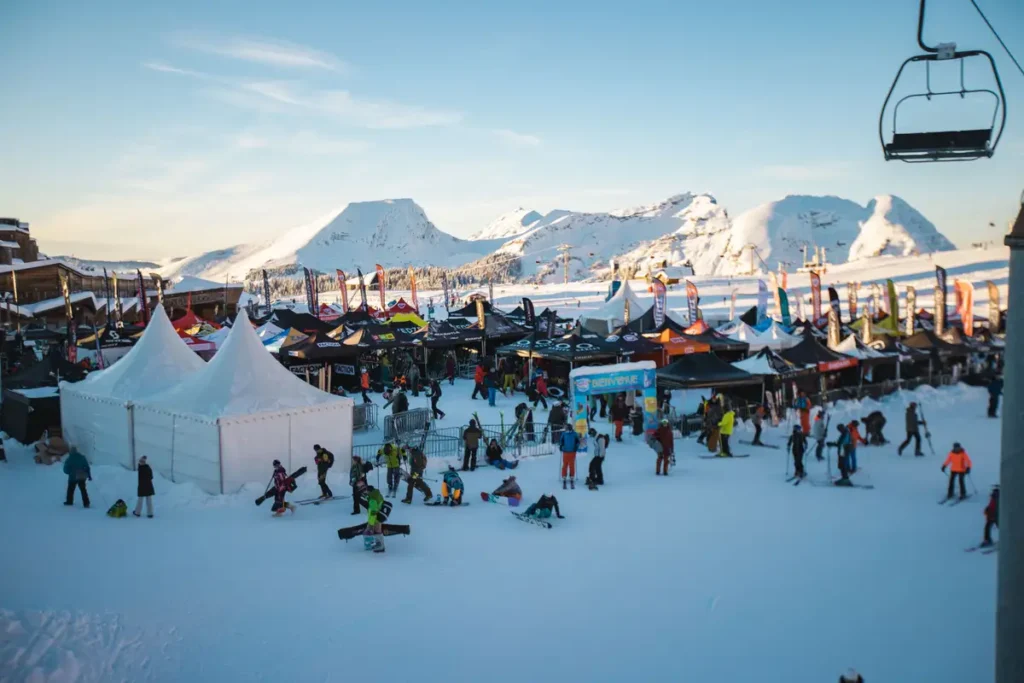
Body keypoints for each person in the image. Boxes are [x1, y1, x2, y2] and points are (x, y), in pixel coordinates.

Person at [365, 485, 386, 553]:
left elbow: (373, 511)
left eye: (367, 491)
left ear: (369, 491)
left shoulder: (372, 499)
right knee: (378, 531)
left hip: (375, 518)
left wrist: (371, 523)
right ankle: (380, 546)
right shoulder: (378, 495)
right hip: (379, 516)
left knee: (377, 532)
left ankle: (379, 548)